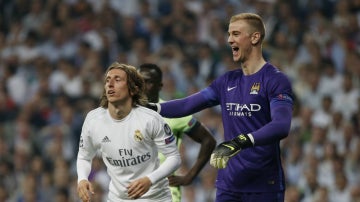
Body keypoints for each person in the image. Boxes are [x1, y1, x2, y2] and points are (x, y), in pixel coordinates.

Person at [148, 13, 294, 202]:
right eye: (229, 34)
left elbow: (281, 125)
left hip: (263, 185)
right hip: (229, 185)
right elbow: (187, 105)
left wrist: (239, 142)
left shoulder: (275, 80)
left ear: (255, 37)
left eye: (235, 34)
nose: (229, 40)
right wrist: (150, 107)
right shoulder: (227, 81)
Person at [76, 62, 181, 202]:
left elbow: (174, 157)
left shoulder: (150, 119)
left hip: (155, 198)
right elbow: (84, 156)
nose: (110, 84)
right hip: (118, 199)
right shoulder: (93, 120)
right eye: (108, 80)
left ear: (132, 89)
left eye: (117, 79)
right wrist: (82, 178)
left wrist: (150, 180)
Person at [138, 63, 216, 202]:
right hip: (134, 190)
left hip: (165, 192)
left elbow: (208, 140)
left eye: (148, 82)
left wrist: (190, 176)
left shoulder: (172, 112)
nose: (142, 86)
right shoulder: (126, 114)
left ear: (160, 86)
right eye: (139, 81)